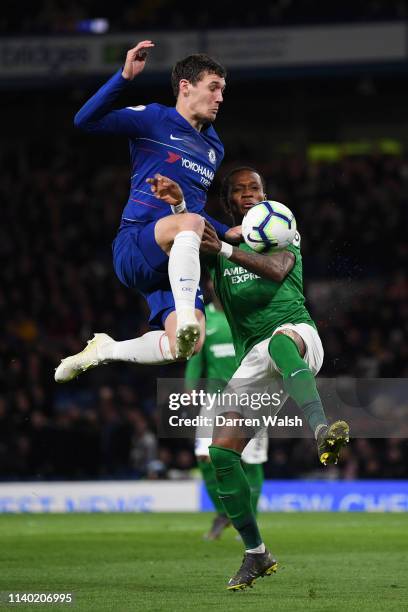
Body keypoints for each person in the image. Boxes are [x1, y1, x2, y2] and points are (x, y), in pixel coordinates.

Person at [149, 167, 350, 591]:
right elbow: (193, 238)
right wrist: (179, 205)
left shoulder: (282, 230)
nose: (249, 195)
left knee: (278, 343)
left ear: (266, 194)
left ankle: (321, 430)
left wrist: (222, 248)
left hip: (296, 336)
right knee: (222, 454)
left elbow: (277, 270)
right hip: (253, 361)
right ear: (229, 200)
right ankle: (256, 552)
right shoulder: (219, 243)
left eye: (255, 188)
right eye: (240, 190)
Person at [55, 40, 240, 383]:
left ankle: (106, 351)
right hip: (135, 245)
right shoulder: (155, 119)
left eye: (223, 91)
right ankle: (185, 314)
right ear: (186, 87)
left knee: (189, 345)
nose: (220, 98)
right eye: (214, 88)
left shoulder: (214, 146)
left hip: (175, 261)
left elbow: (195, 211)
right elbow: (85, 121)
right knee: (190, 223)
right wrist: (124, 77)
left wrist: (229, 232)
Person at [185, 280, 267, 540]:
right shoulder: (203, 317)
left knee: (249, 461)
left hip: (250, 398)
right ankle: (223, 513)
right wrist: (189, 387)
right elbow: (196, 355)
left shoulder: (245, 313)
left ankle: (249, 522)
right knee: (204, 458)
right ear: (210, 285)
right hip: (213, 400)